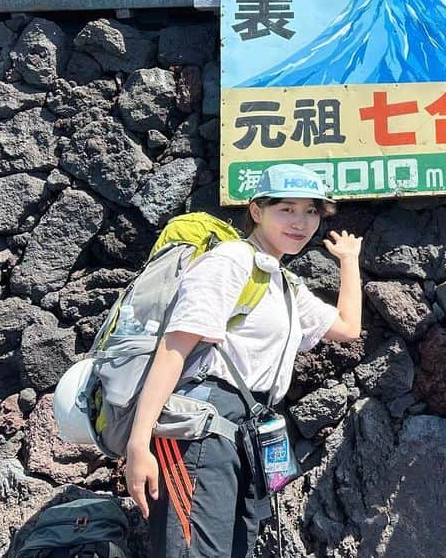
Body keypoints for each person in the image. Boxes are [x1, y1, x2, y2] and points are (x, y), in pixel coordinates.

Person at [124, 163, 363, 558]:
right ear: (256, 211)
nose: (301, 222)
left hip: (247, 436)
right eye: (286, 209)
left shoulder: (283, 282)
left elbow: (347, 327)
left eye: (311, 211)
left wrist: (349, 260)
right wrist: (138, 443)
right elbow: (175, 348)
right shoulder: (231, 261)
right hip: (200, 430)